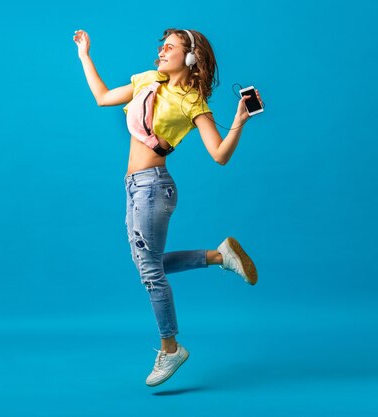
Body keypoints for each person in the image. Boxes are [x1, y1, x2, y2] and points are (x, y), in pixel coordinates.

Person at [73, 28, 263, 387]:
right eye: (162, 45)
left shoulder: (191, 100)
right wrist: (85, 54)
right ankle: (221, 256)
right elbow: (102, 97)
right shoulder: (147, 80)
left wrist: (238, 121)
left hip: (153, 188)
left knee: (150, 272)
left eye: (170, 47)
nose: (161, 51)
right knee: (149, 266)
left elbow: (219, 155)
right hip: (133, 187)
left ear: (189, 57)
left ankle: (170, 347)